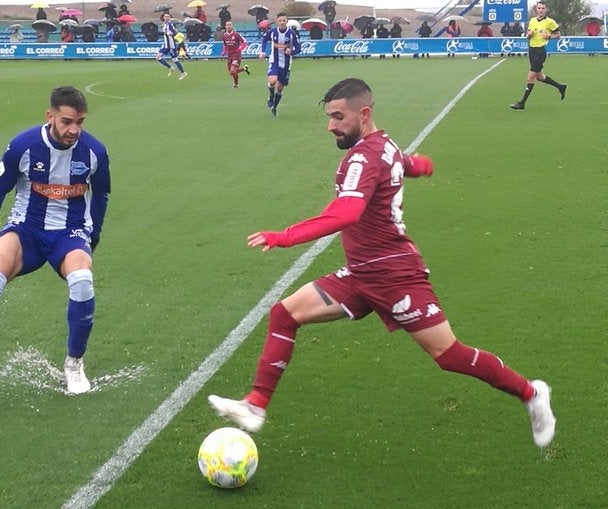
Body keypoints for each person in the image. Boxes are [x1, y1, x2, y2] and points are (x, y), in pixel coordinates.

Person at [208, 77, 556, 451]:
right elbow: (400, 161)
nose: (331, 126)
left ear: (364, 113)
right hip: (360, 274)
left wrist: (284, 236)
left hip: (394, 274)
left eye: (338, 117)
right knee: (284, 314)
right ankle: (255, 405)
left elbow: (347, 213)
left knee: (448, 354)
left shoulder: (361, 156)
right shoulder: (382, 143)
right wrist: (419, 166)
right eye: (329, 117)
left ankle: (531, 393)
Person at [0, 86, 111, 398]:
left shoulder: (95, 152)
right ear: (50, 117)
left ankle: (74, 364)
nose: (74, 129)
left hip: (69, 232)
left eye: (80, 122)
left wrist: (95, 233)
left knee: (82, 280)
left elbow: (101, 194)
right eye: (66, 122)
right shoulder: (23, 146)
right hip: (26, 230)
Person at [510, 1, 566, 111]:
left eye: (543, 8)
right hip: (532, 50)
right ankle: (561, 87)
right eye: (539, 8)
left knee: (531, 76)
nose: (541, 10)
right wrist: (528, 35)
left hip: (540, 52)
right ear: (536, 9)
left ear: (546, 9)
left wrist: (548, 36)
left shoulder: (550, 22)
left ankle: (522, 103)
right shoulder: (532, 21)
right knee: (540, 77)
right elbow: (528, 35)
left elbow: (558, 35)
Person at [260, 12, 301, 117]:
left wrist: (291, 52)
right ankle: (271, 95)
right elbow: (264, 40)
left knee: (280, 88)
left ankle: (274, 107)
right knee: (272, 81)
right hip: (274, 61)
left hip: (286, 64)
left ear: (286, 21)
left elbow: (298, 48)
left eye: (284, 20)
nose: (282, 22)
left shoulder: (292, 34)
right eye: (280, 20)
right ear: (277, 21)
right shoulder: (273, 32)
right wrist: (263, 51)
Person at [156, 13, 187, 80]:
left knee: (175, 60)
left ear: (170, 18)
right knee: (158, 57)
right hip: (165, 45)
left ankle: (183, 73)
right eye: (165, 16)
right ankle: (170, 68)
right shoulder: (164, 24)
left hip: (171, 45)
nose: (166, 18)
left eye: (168, 16)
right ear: (163, 17)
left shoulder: (170, 24)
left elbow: (174, 32)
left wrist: (172, 33)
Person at [221, 20, 250, 89]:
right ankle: (243, 71)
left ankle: (236, 84)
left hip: (236, 55)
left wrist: (240, 49)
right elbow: (225, 45)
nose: (228, 26)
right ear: (225, 26)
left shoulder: (236, 34)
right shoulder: (224, 36)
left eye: (230, 25)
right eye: (227, 25)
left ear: (232, 26)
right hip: (230, 55)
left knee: (232, 71)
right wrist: (224, 52)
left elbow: (245, 42)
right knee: (231, 72)